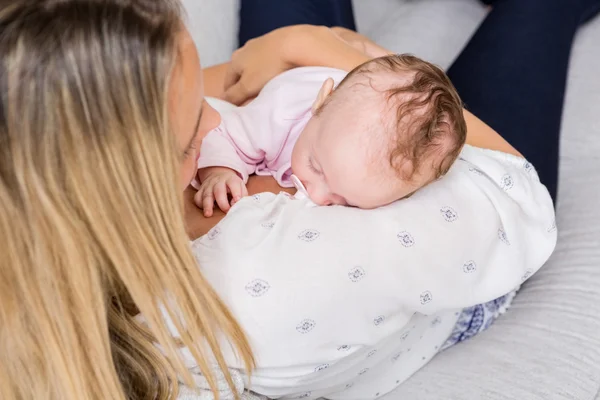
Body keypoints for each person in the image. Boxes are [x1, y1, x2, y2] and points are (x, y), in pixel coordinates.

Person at [0, 1, 589, 400]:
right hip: (470, 181)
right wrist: (327, 54)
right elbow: (514, 188)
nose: (216, 118)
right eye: (186, 140)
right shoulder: (265, 290)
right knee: (538, 11)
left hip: (325, 115)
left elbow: (221, 82)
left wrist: (279, 69)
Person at [195, 54, 466, 215]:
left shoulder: (381, 176)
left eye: (346, 201)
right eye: (315, 166)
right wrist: (220, 171)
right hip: (292, 73)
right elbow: (223, 132)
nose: (318, 195)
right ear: (321, 103)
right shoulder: (278, 113)